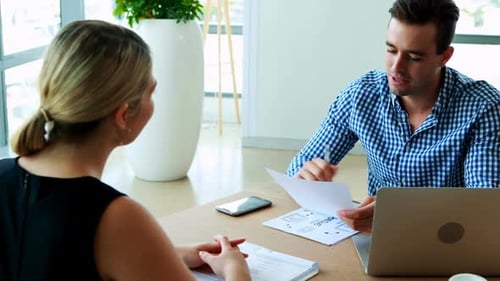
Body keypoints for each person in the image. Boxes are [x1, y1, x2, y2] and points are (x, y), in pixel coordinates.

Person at [0, 20, 250, 281]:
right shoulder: (115, 217)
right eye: (150, 93)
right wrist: (235, 270)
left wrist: (168, 254)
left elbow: (42, 253)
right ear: (122, 115)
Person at [286, 0, 500, 233]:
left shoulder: (483, 108)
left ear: (444, 56)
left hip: (446, 238)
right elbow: (301, 164)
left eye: (414, 57)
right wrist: (306, 178)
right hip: (376, 235)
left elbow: (486, 206)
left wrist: (403, 211)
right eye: (391, 50)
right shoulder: (362, 95)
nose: (396, 67)